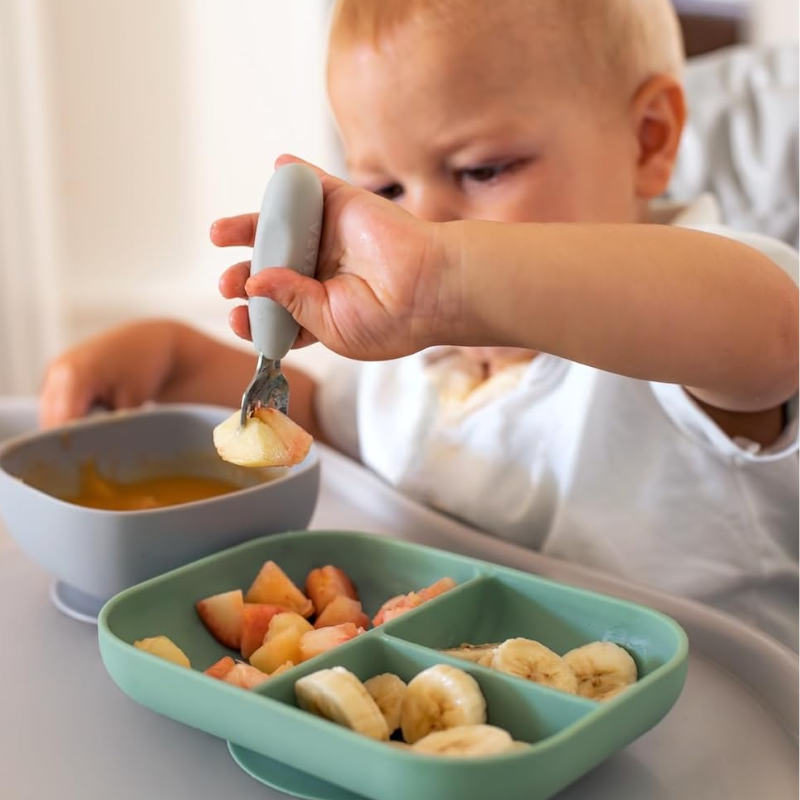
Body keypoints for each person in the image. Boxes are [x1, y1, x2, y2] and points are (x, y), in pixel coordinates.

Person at [40, 0, 799, 648]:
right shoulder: (421, 361)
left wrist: (452, 279)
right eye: (386, 186)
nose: (425, 221)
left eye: (483, 169)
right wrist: (178, 359)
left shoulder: (688, 304)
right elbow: (329, 433)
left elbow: (774, 339)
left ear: (649, 139)